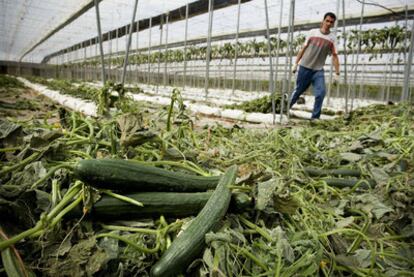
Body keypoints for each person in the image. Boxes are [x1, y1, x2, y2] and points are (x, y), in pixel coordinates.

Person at [289, 12, 340, 119]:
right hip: (305, 67)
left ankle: (315, 119)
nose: (329, 23)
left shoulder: (332, 39)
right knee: (298, 91)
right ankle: (284, 109)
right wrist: (295, 63)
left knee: (321, 93)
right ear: (323, 21)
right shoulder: (312, 33)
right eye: (327, 21)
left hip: (318, 70)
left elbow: (335, 56)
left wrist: (337, 73)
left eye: (331, 22)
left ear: (333, 24)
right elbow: (303, 48)